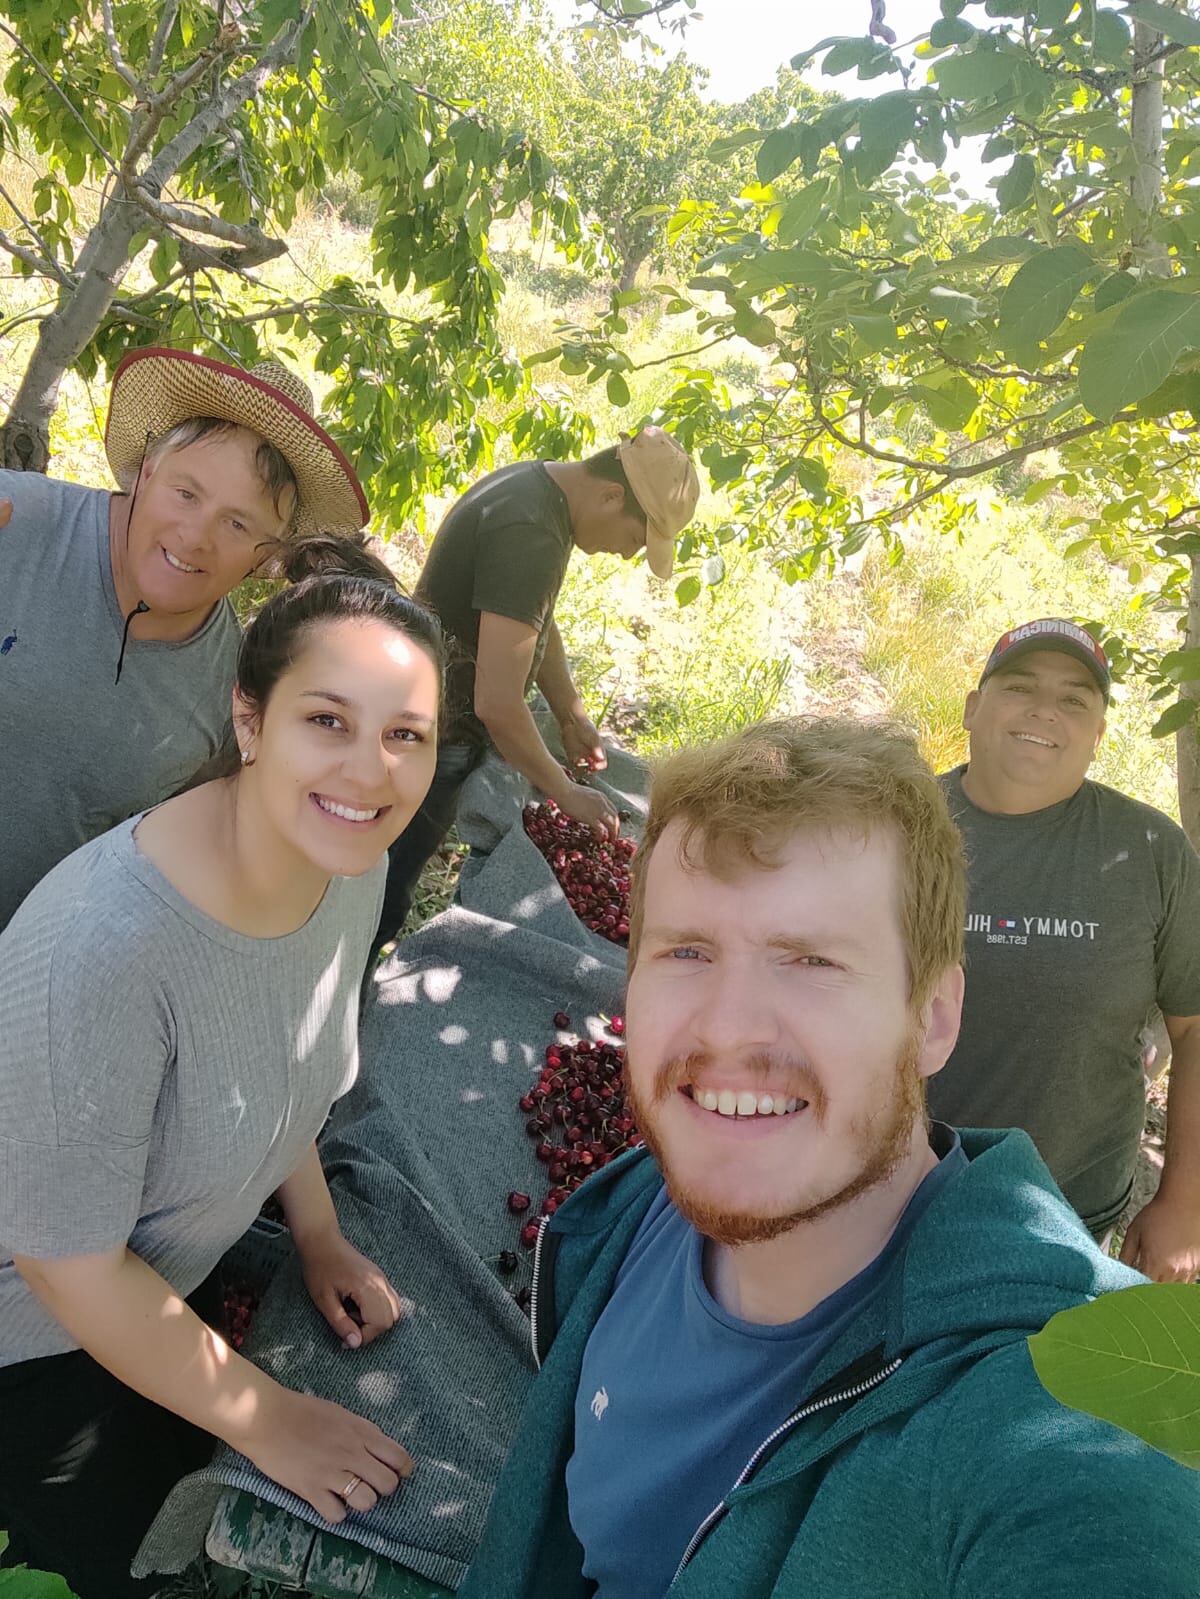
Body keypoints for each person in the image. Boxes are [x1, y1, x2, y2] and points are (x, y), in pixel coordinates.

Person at [457, 718, 1200, 1599]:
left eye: (809, 960)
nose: (729, 1027)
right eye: (687, 951)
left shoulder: (1059, 1417)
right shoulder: (627, 1221)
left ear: (933, 1017)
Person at [0, 540, 443, 1598]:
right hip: (33, 1342)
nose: (369, 771)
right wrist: (272, 1419)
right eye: (326, 721)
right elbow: (68, 1265)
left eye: (407, 736)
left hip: (160, 1297)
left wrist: (320, 1233)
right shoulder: (104, 954)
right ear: (249, 720)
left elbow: (292, 1052)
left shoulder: (350, 861)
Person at [0, 344, 369, 933]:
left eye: (238, 523)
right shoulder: (17, 522)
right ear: (147, 471)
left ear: (267, 557)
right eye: (186, 493)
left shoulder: (231, 693)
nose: (195, 536)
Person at [927, 619, 1200, 1282]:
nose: (1045, 709)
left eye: (1076, 699)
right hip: (895, 1200)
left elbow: (1194, 1029)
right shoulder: (900, 825)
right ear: (972, 707)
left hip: (1067, 1217)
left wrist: (1184, 1201)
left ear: (1099, 735)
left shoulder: (1150, 850)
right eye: (1020, 686)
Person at [373, 426, 699, 950]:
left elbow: (529, 621)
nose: (627, 554)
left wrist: (569, 712)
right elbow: (498, 703)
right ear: (612, 496)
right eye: (636, 539)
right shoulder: (532, 532)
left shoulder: (538, 488)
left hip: (428, 704)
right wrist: (565, 792)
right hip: (435, 724)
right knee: (381, 890)